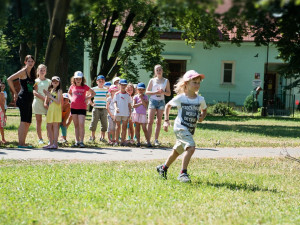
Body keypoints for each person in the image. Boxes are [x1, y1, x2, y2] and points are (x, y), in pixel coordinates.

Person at [156, 70, 207, 183]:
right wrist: (166, 120)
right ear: (186, 84)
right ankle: (183, 173)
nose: (197, 85)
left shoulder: (200, 99)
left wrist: (202, 116)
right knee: (191, 147)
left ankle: (163, 168)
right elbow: (168, 105)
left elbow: (204, 109)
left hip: (189, 129)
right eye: (194, 82)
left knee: (177, 151)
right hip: (180, 128)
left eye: (198, 82)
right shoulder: (181, 98)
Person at [7, 55, 37, 148]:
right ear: (25, 62)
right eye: (28, 61)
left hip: (30, 99)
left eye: (32, 61)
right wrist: (15, 93)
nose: (30, 63)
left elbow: (33, 86)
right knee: (23, 121)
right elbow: (9, 79)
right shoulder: (23, 72)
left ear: (34, 63)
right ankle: (20, 144)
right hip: (23, 98)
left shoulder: (32, 72)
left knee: (28, 122)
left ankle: (23, 142)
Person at [68, 71, 95, 148]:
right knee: (76, 125)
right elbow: (69, 93)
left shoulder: (85, 86)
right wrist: (71, 98)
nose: (78, 80)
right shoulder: (72, 86)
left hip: (82, 108)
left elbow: (93, 93)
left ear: (82, 79)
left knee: (81, 124)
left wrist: (87, 97)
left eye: (79, 79)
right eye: (76, 79)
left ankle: (81, 141)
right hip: (73, 107)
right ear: (74, 79)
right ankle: (76, 141)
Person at [146, 64, 171, 146]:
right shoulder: (152, 80)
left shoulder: (166, 81)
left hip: (161, 102)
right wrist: (155, 92)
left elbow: (169, 93)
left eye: (160, 69)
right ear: (155, 72)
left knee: (158, 121)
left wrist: (162, 92)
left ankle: (156, 140)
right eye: (157, 70)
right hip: (153, 101)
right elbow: (147, 92)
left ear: (162, 70)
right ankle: (148, 140)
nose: (158, 71)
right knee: (150, 121)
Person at [32, 64, 51, 144]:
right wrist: (44, 99)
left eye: (44, 70)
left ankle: (50, 138)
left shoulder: (49, 81)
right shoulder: (35, 81)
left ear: (46, 72)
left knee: (49, 121)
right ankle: (40, 139)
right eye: (41, 70)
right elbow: (34, 92)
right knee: (38, 121)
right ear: (38, 71)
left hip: (48, 103)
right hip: (38, 103)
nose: (42, 71)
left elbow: (51, 92)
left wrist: (47, 100)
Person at [43, 76, 62, 149]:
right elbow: (48, 100)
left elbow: (58, 102)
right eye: (53, 81)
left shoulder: (59, 90)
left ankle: (55, 143)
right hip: (50, 110)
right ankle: (50, 143)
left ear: (59, 82)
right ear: (51, 82)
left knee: (55, 126)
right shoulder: (51, 90)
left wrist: (50, 96)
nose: (55, 82)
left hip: (56, 110)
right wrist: (47, 95)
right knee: (48, 126)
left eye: (56, 81)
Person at [89, 75, 108, 142]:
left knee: (104, 123)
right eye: (99, 81)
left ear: (104, 82)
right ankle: (92, 137)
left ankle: (102, 137)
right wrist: (91, 104)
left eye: (102, 81)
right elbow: (88, 97)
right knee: (94, 123)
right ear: (97, 82)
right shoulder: (93, 89)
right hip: (96, 108)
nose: (101, 82)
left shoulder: (106, 90)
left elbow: (108, 97)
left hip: (103, 108)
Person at [132, 83, 151, 147]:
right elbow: (134, 105)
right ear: (137, 90)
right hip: (136, 114)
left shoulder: (145, 97)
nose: (141, 91)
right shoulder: (135, 97)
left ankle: (148, 141)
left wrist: (141, 99)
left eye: (142, 89)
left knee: (144, 128)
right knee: (137, 129)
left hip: (143, 114)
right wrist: (140, 103)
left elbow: (145, 105)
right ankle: (138, 142)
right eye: (139, 89)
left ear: (144, 90)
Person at [113, 79, 132, 146]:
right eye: (122, 85)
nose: (123, 86)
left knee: (124, 127)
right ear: (119, 85)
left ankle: (122, 141)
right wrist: (116, 108)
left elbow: (129, 104)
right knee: (117, 127)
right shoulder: (117, 94)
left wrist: (130, 113)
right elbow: (115, 102)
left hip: (125, 113)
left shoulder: (128, 95)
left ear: (126, 86)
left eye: (124, 85)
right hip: (118, 113)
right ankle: (116, 141)